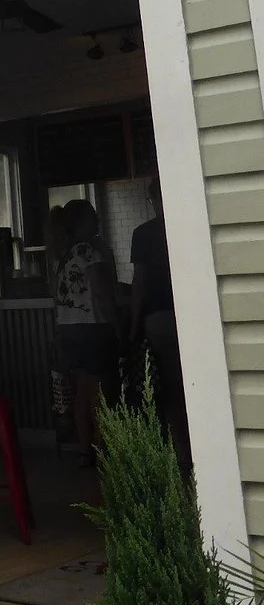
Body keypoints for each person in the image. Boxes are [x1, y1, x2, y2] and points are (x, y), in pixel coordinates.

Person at [54, 198, 120, 466]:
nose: (98, 220)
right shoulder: (89, 252)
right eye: (93, 216)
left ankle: (85, 450)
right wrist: (117, 323)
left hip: (69, 330)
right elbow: (102, 291)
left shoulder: (65, 255)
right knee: (99, 391)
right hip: (93, 329)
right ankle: (102, 448)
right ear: (82, 223)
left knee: (82, 389)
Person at [131, 177, 190, 472]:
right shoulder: (189, 226)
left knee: (167, 387)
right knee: (192, 382)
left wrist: (132, 325)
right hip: (192, 315)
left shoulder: (143, 234)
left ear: (154, 199)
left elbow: (140, 284)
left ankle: (180, 452)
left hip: (159, 318)